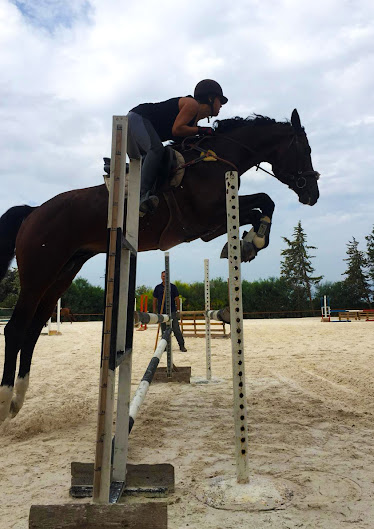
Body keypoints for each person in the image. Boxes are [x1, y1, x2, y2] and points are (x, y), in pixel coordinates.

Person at [127, 79, 228, 215]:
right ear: (210, 98)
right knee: (156, 150)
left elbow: (183, 141)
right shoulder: (192, 105)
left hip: (139, 124)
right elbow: (177, 130)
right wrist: (201, 130)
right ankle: (142, 195)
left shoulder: (193, 122)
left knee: (155, 159)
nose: (221, 105)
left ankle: (125, 171)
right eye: (219, 100)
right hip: (138, 117)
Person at [153, 271, 187, 352]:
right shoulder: (158, 288)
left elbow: (177, 299)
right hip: (162, 312)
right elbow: (154, 300)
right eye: (163, 276)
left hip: (172, 311)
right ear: (161, 277)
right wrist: (154, 312)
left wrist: (178, 310)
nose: (165, 278)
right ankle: (164, 347)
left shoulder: (173, 287)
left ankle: (182, 345)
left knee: (176, 329)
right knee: (164, 330)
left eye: (166, 276)